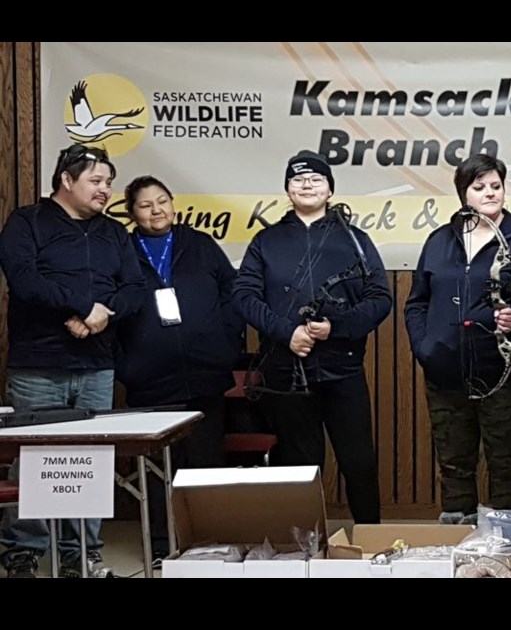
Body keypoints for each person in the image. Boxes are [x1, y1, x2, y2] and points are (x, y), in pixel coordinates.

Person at [0, 144, 146, 578]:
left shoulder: (113, 232)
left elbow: (134, 287)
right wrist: (85, 305)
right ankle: (23, 553)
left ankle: (81, 554)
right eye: (96, 181)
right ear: (67, 180)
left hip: (97, 363)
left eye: (108, 182)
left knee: (90, 462)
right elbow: (24, 280)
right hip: (38, 363)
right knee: (32, 458)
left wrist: (104, 314)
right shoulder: (27, 222)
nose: (106, 190)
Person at [233, 150, 390, 524]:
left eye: (316, 179)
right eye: (298, 179)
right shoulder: (266, 241)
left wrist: (337, 328)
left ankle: (371, 541)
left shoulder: (355, 239)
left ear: (330, 190)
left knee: (359, 462)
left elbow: (380, 298)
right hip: (286, 375)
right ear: (287, 189)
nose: (307, 184)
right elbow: (244, 296)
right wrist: (287, 333)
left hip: (344, 369)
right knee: (300, 466)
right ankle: (303, 548)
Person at [404, 154, 511, 525]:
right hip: (445, 373)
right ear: (463, 194)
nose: (489, 194)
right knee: (453, 462)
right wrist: (425, 348)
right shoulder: (439, 241)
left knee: (507, 461)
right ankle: (457, 537)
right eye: (479, 187)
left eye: (496, 186)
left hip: (505, 374)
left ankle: (510, 546)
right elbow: (416, 302)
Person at [115, 175, 244, 563]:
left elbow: (232, 292)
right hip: (149, 379)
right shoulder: (123, 249)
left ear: (173, 203)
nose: (156, 210)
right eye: (145, 205)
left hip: (205, 372)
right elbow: (110, 303)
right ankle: (160, 543)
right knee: (156, 470)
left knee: (206, 461)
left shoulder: (199, 244)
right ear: (131, 212)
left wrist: (225, 342)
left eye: (162, 201)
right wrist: (128, 364)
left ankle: (209, 541)